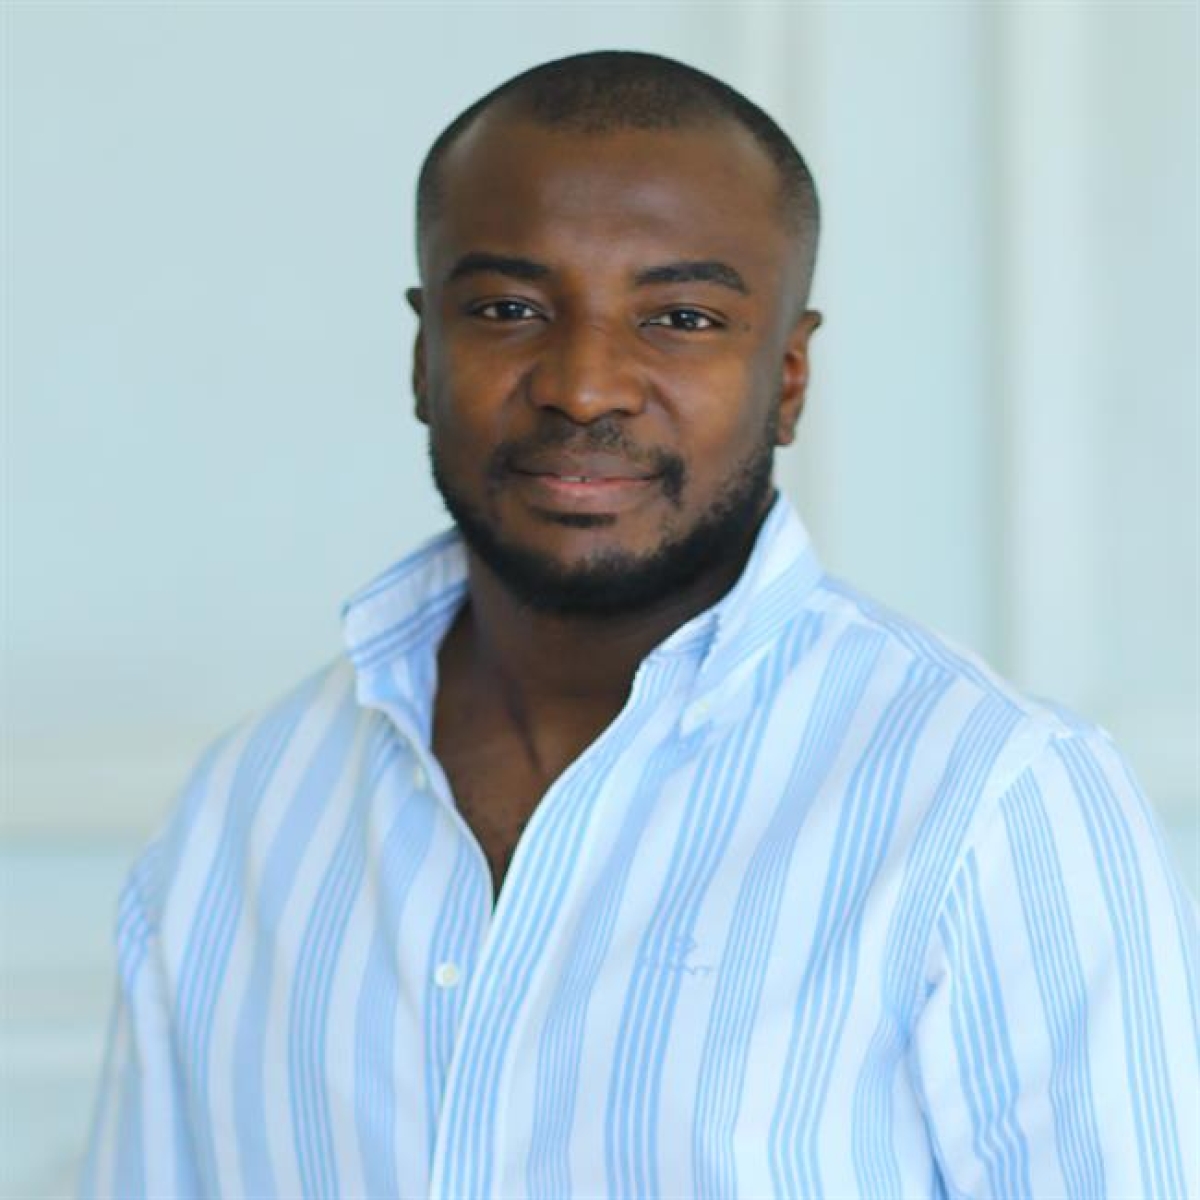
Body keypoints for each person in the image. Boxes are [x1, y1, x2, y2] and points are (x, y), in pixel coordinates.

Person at [82, 50, 1197, 1200]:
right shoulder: (245, 815)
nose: (584, 386)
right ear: (424, 356)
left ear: (789, 377)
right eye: (508, 310)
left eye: (680, 317)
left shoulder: (992, 802)